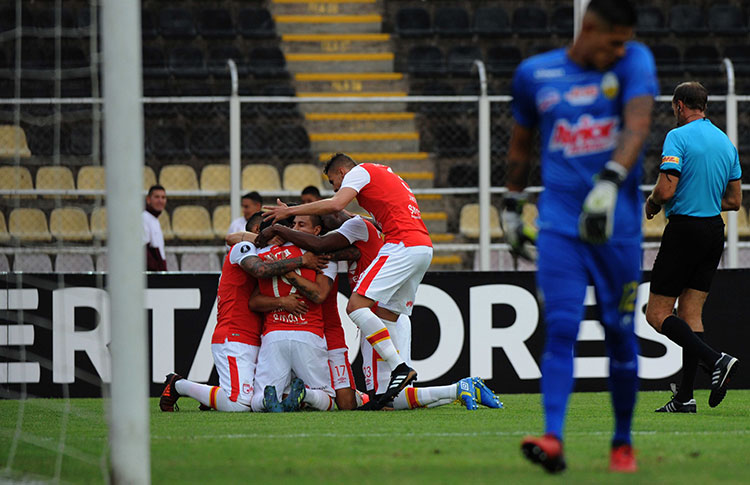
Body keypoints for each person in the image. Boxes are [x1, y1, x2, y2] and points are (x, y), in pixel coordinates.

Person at [505, 0, 657, 473]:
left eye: (624, 43)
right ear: (588, 28)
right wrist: (511, 203)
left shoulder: (635, 60)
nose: (619, 51)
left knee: (618, 334)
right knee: (562, 327)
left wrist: (610, 182)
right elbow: (521, 142)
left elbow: (636, 125)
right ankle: (553, 438)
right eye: (613, 42)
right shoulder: (535, 73)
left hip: (619, 229)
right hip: (559, 226)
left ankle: (622, 442)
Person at [257, 212, 504, 412]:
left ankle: (457, 389)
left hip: (377, 319)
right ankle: (460, 389)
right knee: (392, 396)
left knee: (389, 400)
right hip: (386, 319)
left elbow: (320, 247)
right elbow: (330, 250)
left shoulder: (358, 227)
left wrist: (280, 230)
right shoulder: (360, 238)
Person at [263, 154, 433, 409]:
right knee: (387, 315)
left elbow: (335, 205)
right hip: (423, 247)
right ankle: (395, 391)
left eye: (334, 182)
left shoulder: (360, 172)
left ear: (342, 172)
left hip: (401, 245)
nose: (335, 189)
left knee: (355, 306)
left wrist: (289, 212)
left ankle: (400, 367)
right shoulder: (384, 174)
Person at [158, 213, 329, 412]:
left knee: (257, 396)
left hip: (258, 336)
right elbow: (261, 270)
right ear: (258, 232)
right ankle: (178, 384)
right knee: (239, 404)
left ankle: (212, 398)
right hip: (235, 333)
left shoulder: (269, 252)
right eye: (276, 233)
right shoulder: (243, 248)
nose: (281, 238)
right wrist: (302, 261)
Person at [644, 82, 741, 413]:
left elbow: (666, 189)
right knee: (690, 315)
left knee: (656, 315)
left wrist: (653, 203)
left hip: (685, 229)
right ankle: (685, 397)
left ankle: (717, 359)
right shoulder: (726, 144)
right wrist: (705, 195)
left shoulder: (678, 137)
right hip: (715, 231)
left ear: (679, 106)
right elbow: (735, 200)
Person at [248, 214, 340, 412]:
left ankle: (267, 401)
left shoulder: (265, 256)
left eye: (301, 225)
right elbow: (318, 295)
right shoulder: (320, 257)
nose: (295, 229)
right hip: (309, 333)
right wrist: (283, 298)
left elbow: (254, 300)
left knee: (258, 398)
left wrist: (285, 273)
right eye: (293, 225)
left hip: (274, 335)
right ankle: (305, 394)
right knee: (328, 399)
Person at [143, 184, 168, 271]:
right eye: (157, 197)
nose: (160, 200)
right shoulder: (144, 218)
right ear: (148, 200)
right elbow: (143, 248)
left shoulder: (154, 219)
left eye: (163, 197)